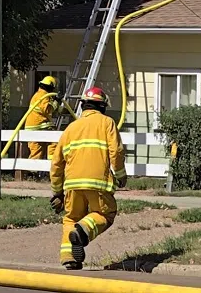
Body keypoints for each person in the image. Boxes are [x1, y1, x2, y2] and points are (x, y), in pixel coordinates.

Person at [49, 86, 127, 270]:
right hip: (98, 183)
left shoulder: (71, 129)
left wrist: (57, 192)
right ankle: (84, 230)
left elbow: (56, 163)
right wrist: (121, 175)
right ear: (102, 106)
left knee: (70, 218)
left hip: (72, 186)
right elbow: (116, 152)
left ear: (83, 106)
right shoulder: (107, 123)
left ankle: (69, 257)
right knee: (105, 214)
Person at [25, 76, 60, 162]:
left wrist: (56, 103)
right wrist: (57, 101)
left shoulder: (39, 94)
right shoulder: (43, 95)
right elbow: (47, 110)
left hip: (33, 127)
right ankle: (51, 164)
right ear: (51, 86)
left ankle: (32, 172)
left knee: (36, 151)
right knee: (54, 141)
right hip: (39, 126)